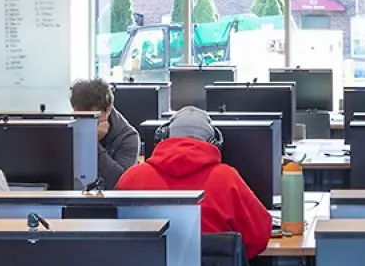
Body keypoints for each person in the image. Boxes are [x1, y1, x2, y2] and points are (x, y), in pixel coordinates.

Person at [116, 105, 271, 257]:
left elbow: (112, 240)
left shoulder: (132, 178)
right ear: (213, 142)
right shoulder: (227, 179)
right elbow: (259, 238)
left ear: (162, 137)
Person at [69, 77, 142, 188]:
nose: (85, 121)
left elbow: (118, 181)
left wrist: (91, 143)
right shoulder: (69, 128)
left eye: (92, 117)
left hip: (111, 202)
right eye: (80, 116)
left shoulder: (128, 137)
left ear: (108, 110)